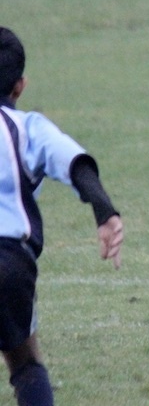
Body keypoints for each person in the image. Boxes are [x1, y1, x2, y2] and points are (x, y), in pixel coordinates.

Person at [0, 27, 124, 406]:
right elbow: (75, 164)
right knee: (25, 362)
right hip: (8, 265)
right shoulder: (26, 128)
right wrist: (105, 212)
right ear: (20, 86)